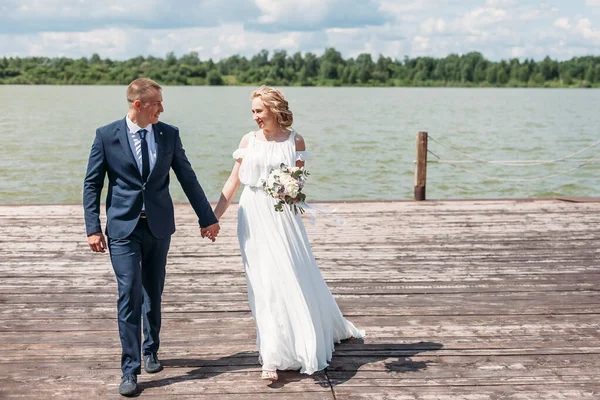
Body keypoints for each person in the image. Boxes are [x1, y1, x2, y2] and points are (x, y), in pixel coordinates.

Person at [213, 86, 363, 382]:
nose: (255, 116)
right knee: (263, 282)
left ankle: (301, 338)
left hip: (283, 218)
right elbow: (233, 182)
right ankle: (271, 354)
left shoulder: (295, 140)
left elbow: (296, 184)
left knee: (290, 275)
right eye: (253, 111)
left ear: (273, 110)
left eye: (259, 110)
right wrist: (212, 217)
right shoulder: (248, 141)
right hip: (252, 214)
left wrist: (290, 191)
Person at [83, 78, 220, 396]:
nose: (162, 107)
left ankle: (150, 351)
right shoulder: (106, 136)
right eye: (157, 102)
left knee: (152, 292)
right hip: (122, 229)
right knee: (128, 294)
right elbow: (92, 184)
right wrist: (92, 227)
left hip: (158, 228)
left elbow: (187, 176)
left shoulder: (169, 134)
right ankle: (129, 370)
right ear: (138, 105)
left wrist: (207, 218)